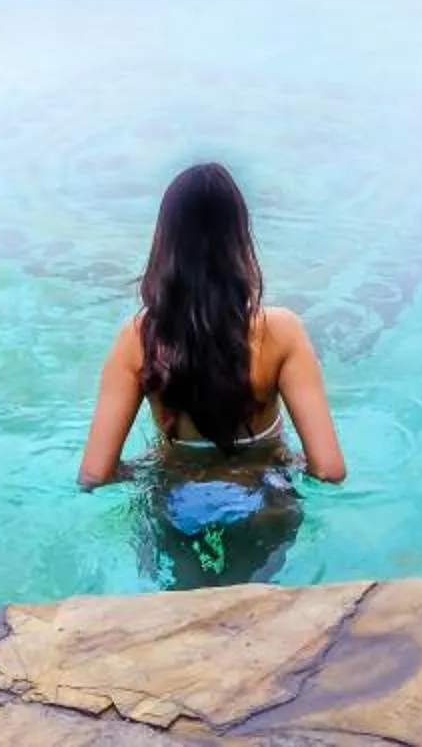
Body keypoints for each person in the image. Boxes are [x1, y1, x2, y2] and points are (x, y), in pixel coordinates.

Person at [79, 162, 345, 583]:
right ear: (241, 241)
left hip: (177, 504)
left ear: (164, 243)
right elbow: (329, 470)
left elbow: (95, 474)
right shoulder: (282, 332)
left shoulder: (137, 339)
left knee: (184, 618)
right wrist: (279, 463)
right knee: (255, 617)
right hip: (262, 502)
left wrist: (157, 467)